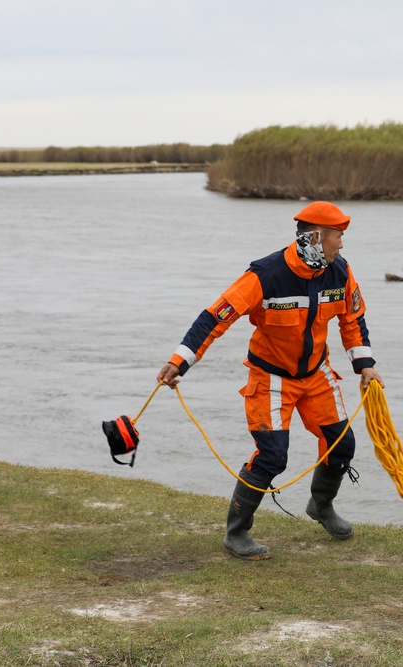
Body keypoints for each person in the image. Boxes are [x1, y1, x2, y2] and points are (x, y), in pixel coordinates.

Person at [157, 201, 383, 560]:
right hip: (271, 378)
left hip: (318, 375)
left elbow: (353, 319)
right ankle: (237, 533)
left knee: (341, 445)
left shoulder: (340, 272)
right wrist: (179, 361)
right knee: (272, 456)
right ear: (316, 236)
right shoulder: (265, 275)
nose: (342, 244)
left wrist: (365, 364)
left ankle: (321, 506)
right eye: (338, 237)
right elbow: (216, 317)